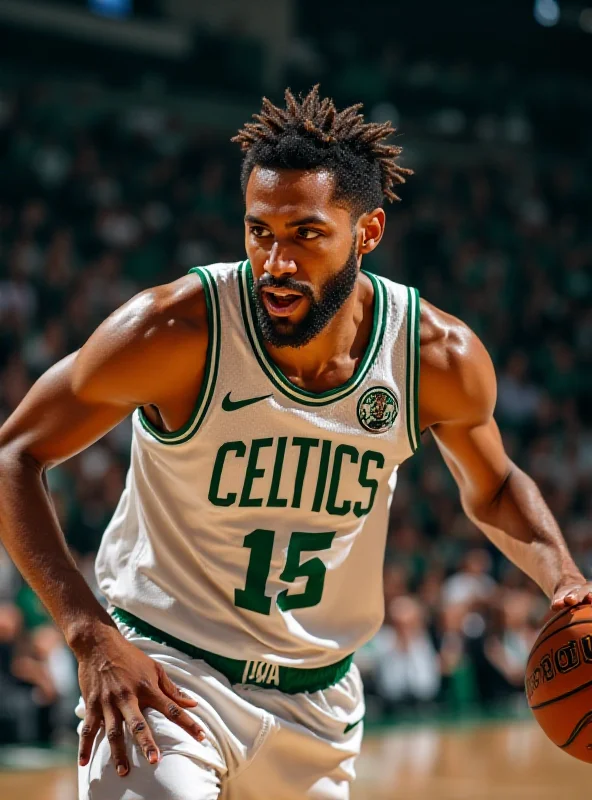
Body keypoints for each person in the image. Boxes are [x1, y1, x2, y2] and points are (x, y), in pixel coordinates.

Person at [0, 85, 589, 800]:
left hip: (320, 704)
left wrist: (562, 576)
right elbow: (15, 454)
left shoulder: (436, 357)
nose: (276, 261)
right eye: (259, 232)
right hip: (169, 675)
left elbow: (492, 487)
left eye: (306, 234)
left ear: (367, 233)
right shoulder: (173, 331)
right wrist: (88, 634)